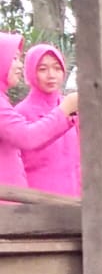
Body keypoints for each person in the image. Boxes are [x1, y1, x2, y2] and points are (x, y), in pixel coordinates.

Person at [0, 34, 78, 197]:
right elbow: (28, 137)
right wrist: (65, 109)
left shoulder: (71, 111)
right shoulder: (20, 111)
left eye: (57, 68)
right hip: (36, 203)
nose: (18, 65)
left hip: (73, 199)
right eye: (13, 58)